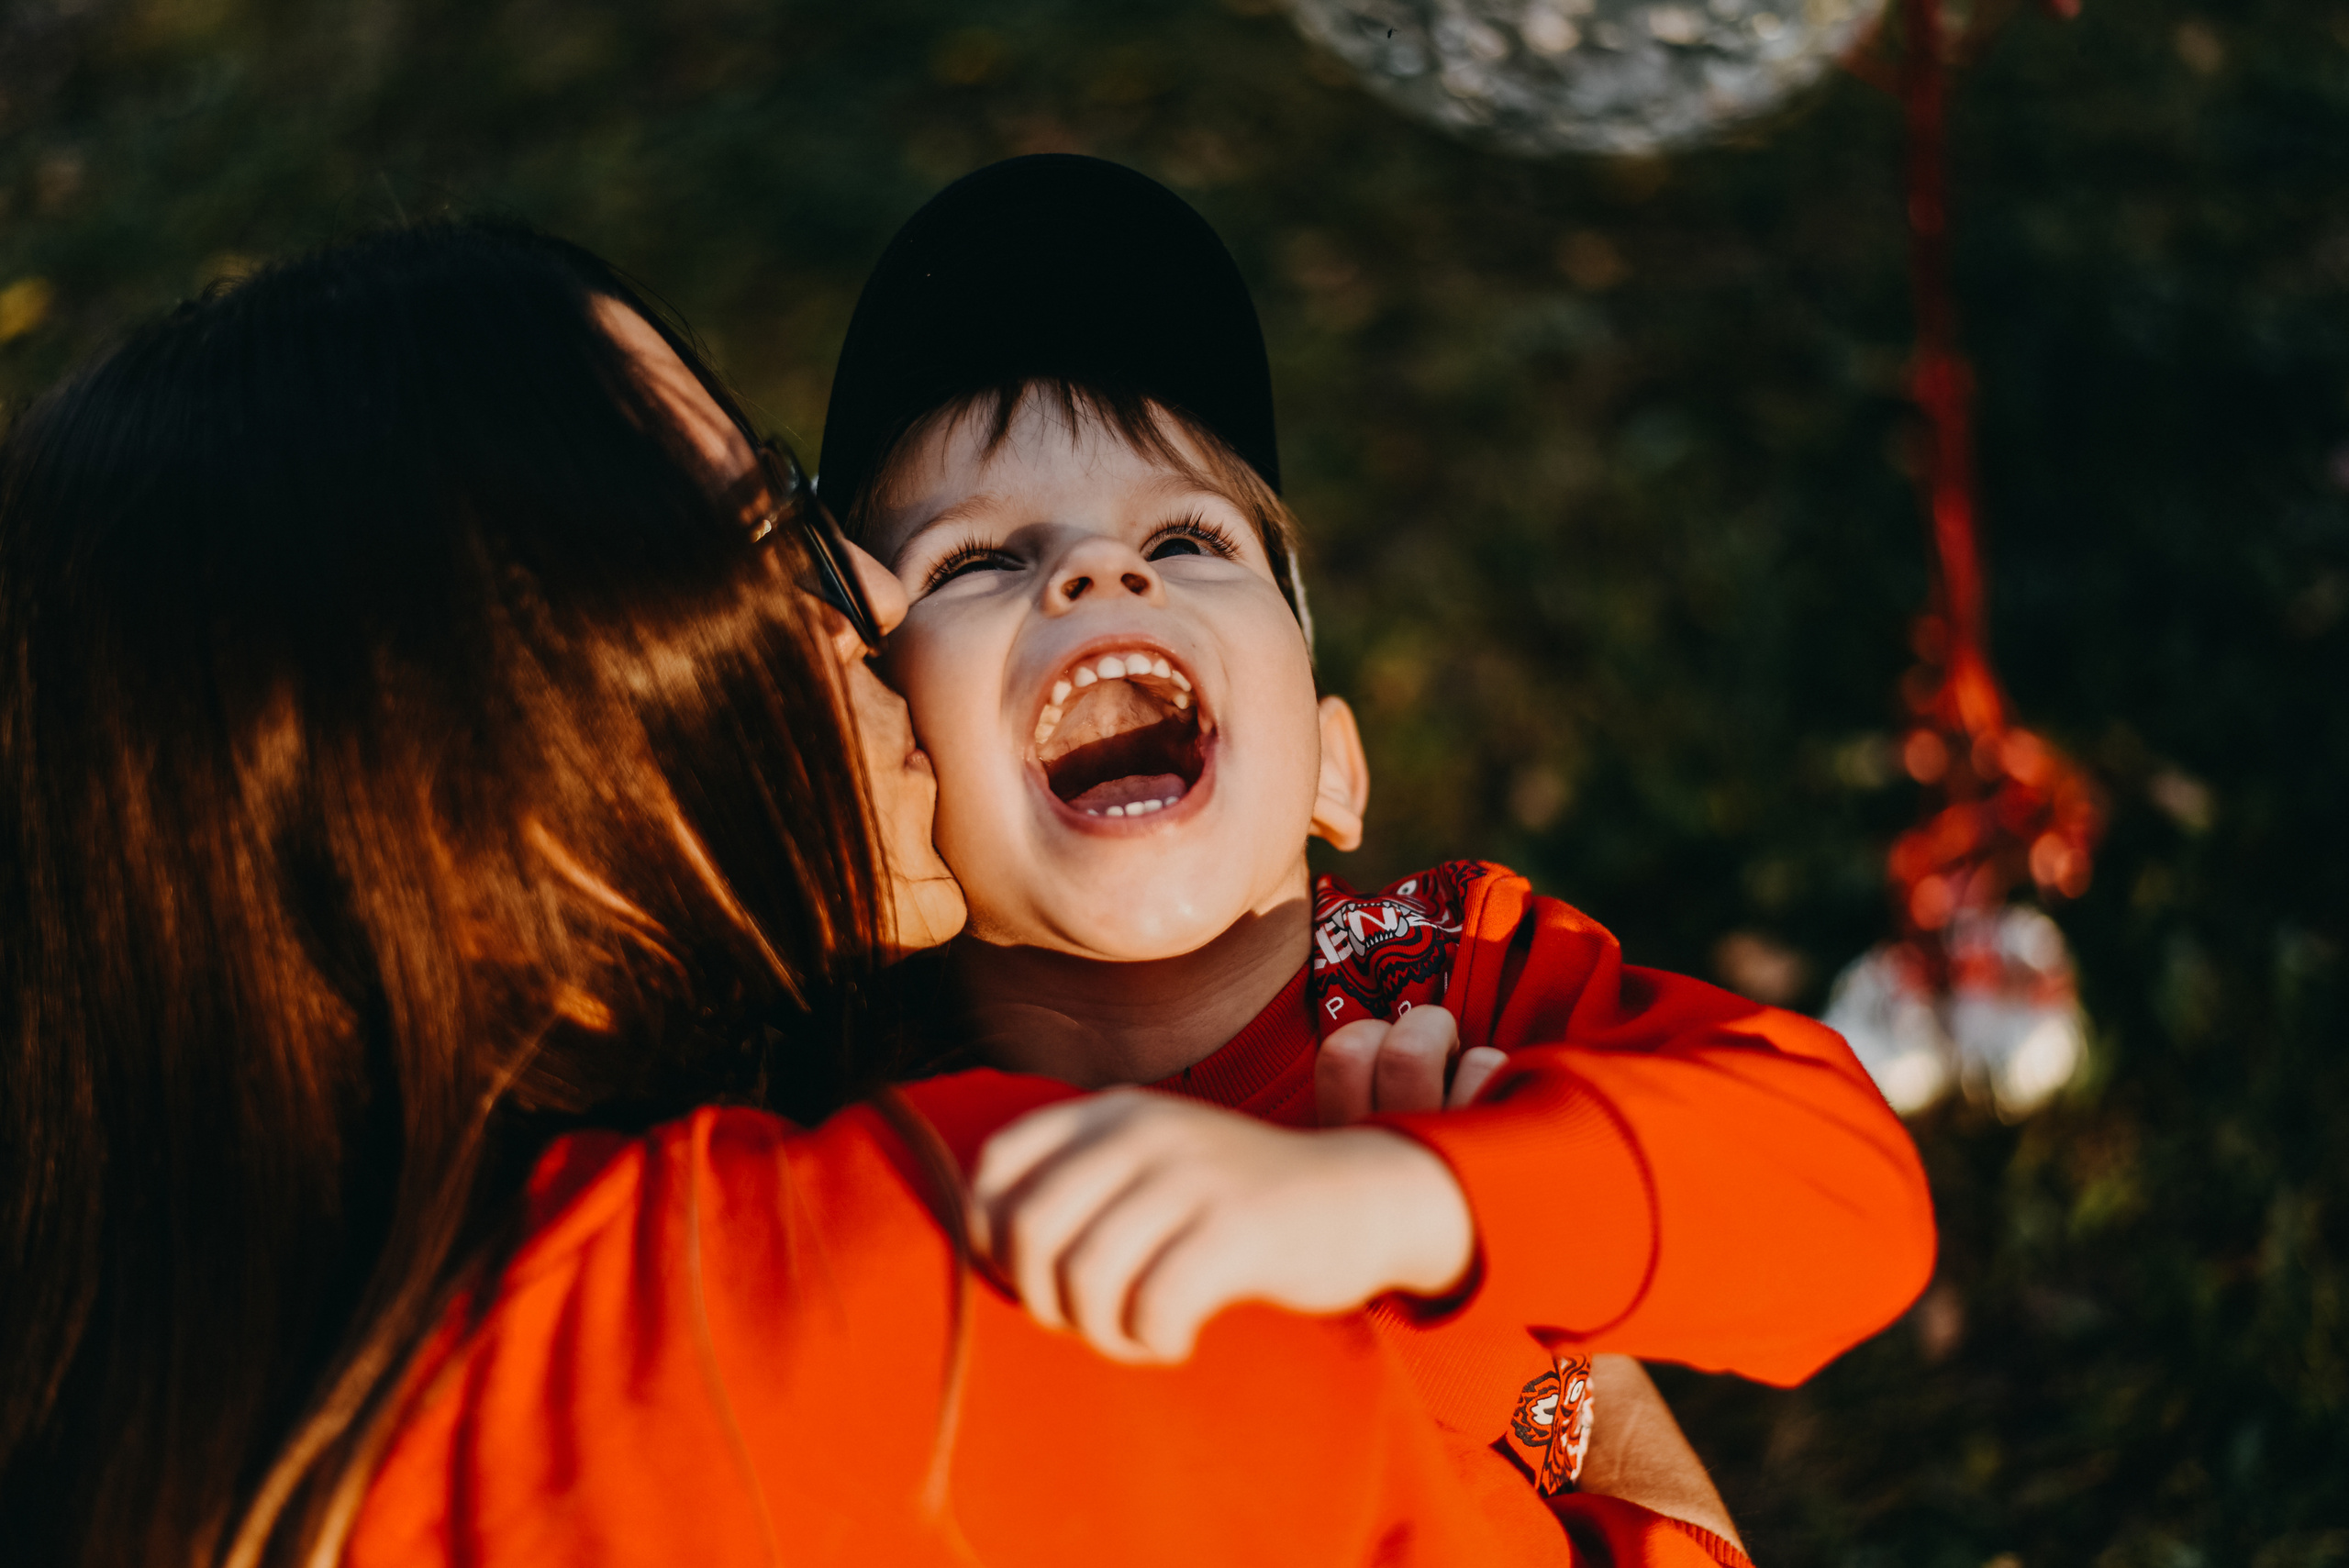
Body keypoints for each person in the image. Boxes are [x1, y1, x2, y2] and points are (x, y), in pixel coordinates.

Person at [0, 220, 1655, 1568]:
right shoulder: (961, 1266)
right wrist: (1571, 1383)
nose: (868, 583)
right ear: (518, 759)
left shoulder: (160, 1397)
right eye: (768, 521)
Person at [817, 155, 1940, 1550]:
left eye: (1185, 535)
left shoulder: (1453, 982)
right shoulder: (833, 1112)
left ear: (1334, 764)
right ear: (876, 761)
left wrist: (1407, 1202)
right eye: (973, 563)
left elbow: (1851, 1202)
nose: (1100, 574)